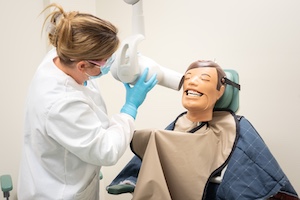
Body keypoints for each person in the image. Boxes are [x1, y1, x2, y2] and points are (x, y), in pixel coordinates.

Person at [17, 3, 157, 200]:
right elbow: (107, 150)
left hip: (57, 172)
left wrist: (124, 60)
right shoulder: (61, 103)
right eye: (106, 61)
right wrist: (129, 108)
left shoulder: (62, 54)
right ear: (82, 65)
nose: (108, 65)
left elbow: (92, 64)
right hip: (58, 193)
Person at [107, 60, 299, 199]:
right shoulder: (180, 123)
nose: (191, 83)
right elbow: (154, 154)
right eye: (188, 78)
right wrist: (132, 178)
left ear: (221, 91)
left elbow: (257, 168)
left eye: (203, 79)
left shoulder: (235, 126)